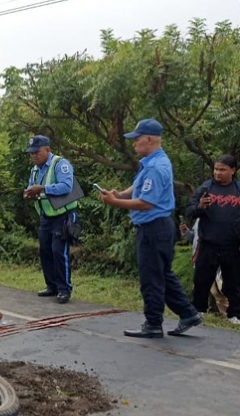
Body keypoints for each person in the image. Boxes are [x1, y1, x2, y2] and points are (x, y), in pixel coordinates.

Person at [98, 118, 202, 338]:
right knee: (162, 274)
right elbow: (138, 187)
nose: (134, 144)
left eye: (137, 139)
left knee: (151, 278)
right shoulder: (153, 162)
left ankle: (153, 324)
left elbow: (146, 203)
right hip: (159, 227)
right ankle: (188, 313)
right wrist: (121, 194)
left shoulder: (156, 167)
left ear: (149, 139)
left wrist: (114, 202)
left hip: (153, 227)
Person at [184, 155, 240, 324]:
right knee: (201, 279)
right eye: (216, 169)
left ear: (233, 170)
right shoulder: (206, 188)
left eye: (222, 169)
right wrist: (200, 207)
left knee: (233, 282)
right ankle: (198, 311)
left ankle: (235, 314)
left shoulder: (238, 189)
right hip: (208, 243)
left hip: (232, 245)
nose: (217, 172)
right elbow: (189, 211)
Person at [23, 135, 78, 304]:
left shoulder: (60, 164)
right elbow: (33, 188)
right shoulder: (35, 169)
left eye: (37, 152)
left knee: (58, 251)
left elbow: (67, 186)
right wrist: (29, 193)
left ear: (47, 149)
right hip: (46, 215)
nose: (33, 156)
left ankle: (64, 289)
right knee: (45, 250)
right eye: (31, 153)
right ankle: (51, 286)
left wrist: (43, 188)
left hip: (63, 215)